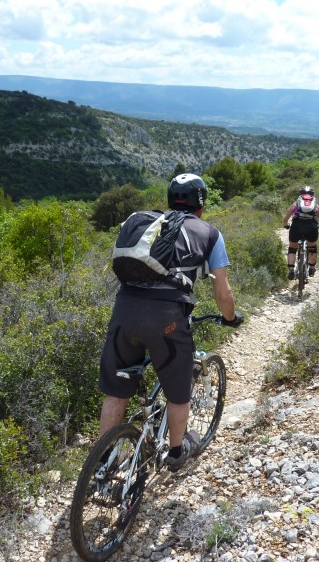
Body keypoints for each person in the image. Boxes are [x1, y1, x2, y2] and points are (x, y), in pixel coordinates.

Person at [98, 173, 243, 472]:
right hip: (166, 318)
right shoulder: (210, 233)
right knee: (178, 390)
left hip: (125, 308)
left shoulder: (149, 225)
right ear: (201, 202)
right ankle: (176, 453)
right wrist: (230, 318)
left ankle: (105, 461)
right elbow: (222, 291)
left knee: (117, 389)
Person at [282, 185, 319, 279]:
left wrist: (286, 225)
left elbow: (286, 218)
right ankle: (311, 267)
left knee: (292, 248)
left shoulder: (296, 204)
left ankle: (291, 270)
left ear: (300, 194)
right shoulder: (315, 205)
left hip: (296, 226)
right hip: (311, 227)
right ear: (312, 195)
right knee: (312, 248)